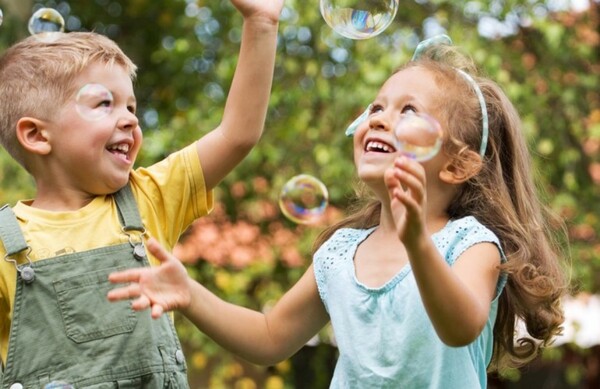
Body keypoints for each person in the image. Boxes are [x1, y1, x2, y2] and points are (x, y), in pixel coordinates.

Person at [107, 35, 569, 388]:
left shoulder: (469, 243)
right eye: (375, 107)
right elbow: (270, 337)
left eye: (408, 109)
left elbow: (461, 326)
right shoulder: (340, 254)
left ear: (459, 163)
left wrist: (416, 244)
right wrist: (190, 294)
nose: (378, 118)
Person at [0, 0, 283, 387]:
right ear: (36, 135)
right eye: (105, 103)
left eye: (132, 106)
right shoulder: (5, 244)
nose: (131, 118)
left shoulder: (149, 197)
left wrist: (261, 22)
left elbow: (237, 135)